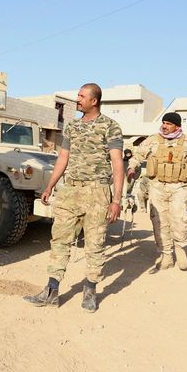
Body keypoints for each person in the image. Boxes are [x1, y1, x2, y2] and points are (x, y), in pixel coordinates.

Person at [23, 83, 124, 313]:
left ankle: (90, 290)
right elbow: (63, 158)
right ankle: (51, 291)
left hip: (97, 192)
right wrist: (50, 185)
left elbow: (117, 163)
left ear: (94, 101)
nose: (77, 99)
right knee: (60, 239)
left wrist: (116, 199)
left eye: (81, 96)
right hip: (70, 191)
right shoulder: (73, 126)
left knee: (95, 243)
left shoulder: (110, 127)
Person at [127, 112, 187, 272]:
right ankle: (167, 255)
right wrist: (131, 167)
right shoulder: (153, 139)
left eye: (169, 123)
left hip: (179, 187)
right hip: (156, 186)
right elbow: (138, 155)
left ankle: (180, 249)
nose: (164, 126)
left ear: (177, 126)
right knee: (159, 222)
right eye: (163, 122)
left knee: (179, 220)